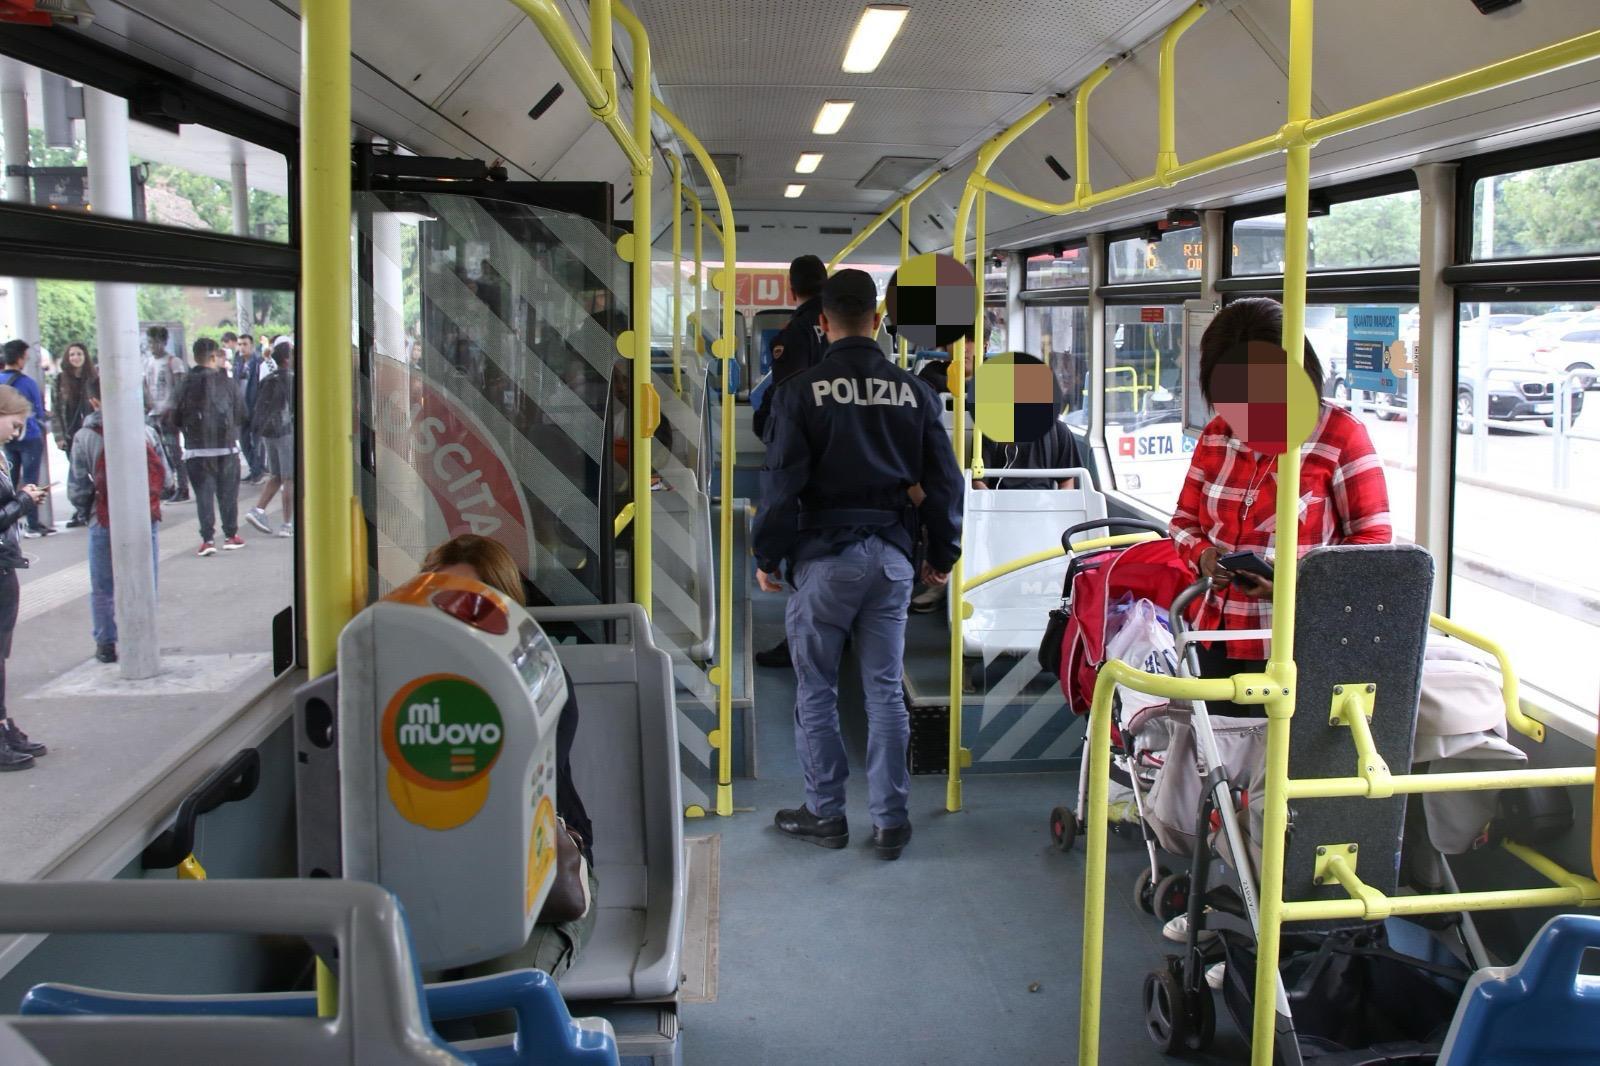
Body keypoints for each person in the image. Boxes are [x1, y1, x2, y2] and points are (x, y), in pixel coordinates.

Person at [752, 269, 964, 860]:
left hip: (825, 561)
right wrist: (942, 554)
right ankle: (890, 822)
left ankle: (826, 814)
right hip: (893, 559)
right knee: (883, 693)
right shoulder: (916, 392)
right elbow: (945, 484)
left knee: (816, 688)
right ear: (877, 320)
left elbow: (782, 486)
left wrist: (768, 555)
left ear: (822, 323)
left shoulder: (799, 392)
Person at [1170, 296, 1393, 717]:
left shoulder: (1340, 437)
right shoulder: (1218, 435)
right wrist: (1204, 556)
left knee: (1276, 773)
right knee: (1216, 765)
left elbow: (1373, 545)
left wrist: (1294, 584)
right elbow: (1184, 521)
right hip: (1216, 631)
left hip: (1296, 641)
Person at [419, 534, 598, 982]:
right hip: (434, 875)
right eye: (440, 600)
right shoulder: (407, 686)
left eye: (471, 604)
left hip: (534, 877)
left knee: (504, 999)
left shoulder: (537, 681)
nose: (452, 617)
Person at [752, 254, 829, 669]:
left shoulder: (795, 331)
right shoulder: (848, 326)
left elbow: (787, 394)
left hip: (804, 447)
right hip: (848, 449)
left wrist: (763, 425)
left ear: (791, 287)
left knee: (803, 542)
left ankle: (799, 641)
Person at [69, 377, 172, 664]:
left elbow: (77, 485)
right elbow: (167, 477)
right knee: (145, 579)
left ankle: (106, 642)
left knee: (102, 585)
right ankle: (144, 636)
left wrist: (84, 509)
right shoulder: (146, 432)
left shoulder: (84, 436)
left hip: (102, 518)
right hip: (144, 517)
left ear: (94, 401)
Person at [0, 386, 49, 769]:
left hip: (5, 562)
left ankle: (3, 723)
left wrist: (19, 497)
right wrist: (23, 503)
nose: (17, 434)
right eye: (14, 424)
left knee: (2, 654)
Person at [175, 337, 247, 556]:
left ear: (194, 356)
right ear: (214, 357)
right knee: (227, 495)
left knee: (204, 496)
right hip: (226, 449)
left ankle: (207, 540)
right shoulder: (227, 382)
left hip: (196, 451)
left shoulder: (184, 383)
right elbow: (242, 414)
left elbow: (175, 416)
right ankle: (230, 535)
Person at [0, 340, 54, 537]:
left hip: (10, 447)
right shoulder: (28, 383)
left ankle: (17, 525)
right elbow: (39, 412)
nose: (15, 431)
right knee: (29, 482)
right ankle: (32, 524)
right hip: (30, 439)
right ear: (21, 358)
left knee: (9, 482)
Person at [244, 341, 294, 537]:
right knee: (289, 478)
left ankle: (258, 510)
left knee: (276, 476)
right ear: (287, 359)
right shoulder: (292, 379)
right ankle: (287, 524)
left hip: (269, 434)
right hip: (286, 433)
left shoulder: (269, 378)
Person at [51, 341, 97, 528]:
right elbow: (55, 411)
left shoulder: (93, 379)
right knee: (78, 475)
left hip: (92, 433)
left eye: (79, 354)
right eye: (72, 355)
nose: (75, 358)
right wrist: (59, 436)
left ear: (85, 357)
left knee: (97, 471)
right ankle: (82, 509)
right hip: (72, 436)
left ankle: (93, 507)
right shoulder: (60, 380)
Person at [143, 325, 190, 503]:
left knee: (173, 451)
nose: (152, 346)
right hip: (153, 413)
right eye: (150, 342)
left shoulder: (173, 362)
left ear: (163, 342)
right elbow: (146, 385)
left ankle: (182, 486)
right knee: (158, 453)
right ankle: (167, 485)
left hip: (169, 413)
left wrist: (172, 408)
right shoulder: (148, 362)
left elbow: (180, 388)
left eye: (155, 342)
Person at [235, 333, 266, 483]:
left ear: (251, 346)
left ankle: (257, 471)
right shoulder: (238, 363)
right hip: (241, 408)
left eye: (245, 344)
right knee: (243, 441)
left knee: (256, 441)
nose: (242, 347)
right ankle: (254, 468)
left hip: (255, 407)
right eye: (240, 344)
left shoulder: (259, 363)